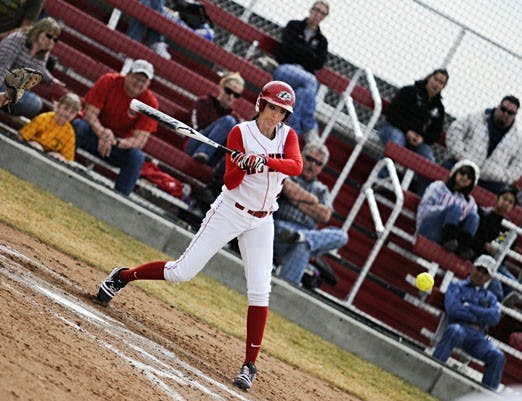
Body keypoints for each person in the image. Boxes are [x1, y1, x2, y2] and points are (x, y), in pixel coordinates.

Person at [94, 81, 303, 391]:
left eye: (282, 112)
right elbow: (231, 183)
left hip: (263, 220)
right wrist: (244, 164)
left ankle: (249, 365)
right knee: (181, 272)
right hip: (231, 211)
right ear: (261, 105)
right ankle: (122, 276)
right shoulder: (240, 134)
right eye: (272, 108)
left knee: (260, 290)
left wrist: (264, 161)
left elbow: (296, 166)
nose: (276, 116)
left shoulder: (288, 136)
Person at [72, 59, 159, 196]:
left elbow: (140, 140)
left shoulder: (150, 103)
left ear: (148, 84)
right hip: (94, 134)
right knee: (78, 126)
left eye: (143, 81)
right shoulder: (108, 81)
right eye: (136, 78)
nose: (138, 83)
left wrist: (115, 142)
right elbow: (89, 113)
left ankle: (120, 199)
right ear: (128, 74)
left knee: (136, 157)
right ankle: (60, 163)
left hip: (117, 147)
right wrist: (102, 133)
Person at [273, 141, 348, 285]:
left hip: (305, 234)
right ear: (301, 156)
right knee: (303, 243)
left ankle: (301, 237)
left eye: (318, 163)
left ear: (321, 168)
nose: (312, 165)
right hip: (280, 230)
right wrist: (313, 201)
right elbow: (288, 189)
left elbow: (325, 215)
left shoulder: (322, 189)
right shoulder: (289, 171)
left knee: (341, 236)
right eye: (309, 159)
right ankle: (285, 294)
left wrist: (296, 202)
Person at [432, 254, 505, 390]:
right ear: (472, 268)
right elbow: (453, 310)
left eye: (485, 273)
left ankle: (486, 397)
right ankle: (431, 370)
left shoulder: (490, 297)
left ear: (489, 278)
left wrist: (470, 308)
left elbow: (495, 318)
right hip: (460, 328)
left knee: (498, 356)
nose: (480, 275)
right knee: (454, 331)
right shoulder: (456, 286)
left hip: (479, 337)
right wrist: (482, 316)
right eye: (478, 269)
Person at [378, 68, 448, 194]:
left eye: (441, 83)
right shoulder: (409, 91)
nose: (437, 84)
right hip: (392, 129)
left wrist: (423, 139)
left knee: (428, 159)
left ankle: (424, 195)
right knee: (397, 142)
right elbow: (392, 113)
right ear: (429, 78)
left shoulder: (439, 109)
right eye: (435, 79)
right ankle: (380, 178)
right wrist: (407, 131)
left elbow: (435, 133)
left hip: (416, 142)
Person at [273, 1, 329, 139]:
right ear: (310, 10)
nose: (317, 14)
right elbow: (286, 48)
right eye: (316, 10)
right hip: (285, 70)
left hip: (303, 80)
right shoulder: (294, 26)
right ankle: (310, 126)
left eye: (322, 13)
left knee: (303, 94)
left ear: (325, 17)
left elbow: (319, 63)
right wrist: (309, 54)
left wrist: (300, 51)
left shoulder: (322, 41)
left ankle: (293, 133)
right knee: (311, 81)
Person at [444, 95, 521, 194]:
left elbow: (518, 165)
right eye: (503, 109)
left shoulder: (517, 140)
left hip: (491, 181)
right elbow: (455, 130)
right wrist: (461, 156)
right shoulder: (477, 118)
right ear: (498, 107)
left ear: (515, 115)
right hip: (463, 167)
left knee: (504, 197)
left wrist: (502, 176)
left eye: (510, 113)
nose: (505, 114)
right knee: (440, 172)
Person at [0, 17, 65, 118]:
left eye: (54, 39)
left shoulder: (44, 53)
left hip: (13, 91)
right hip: (2, 80)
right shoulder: (18, 38)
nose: (50, 41)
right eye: (48, 36)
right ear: (39, 31)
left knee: (35, 103)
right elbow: (3, 66)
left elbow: (40, 69)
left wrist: (52, 80)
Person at [416, 160, 480, 260]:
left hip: (455, 241)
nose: (465, 177)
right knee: (455, 209)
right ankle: (448, 239)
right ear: (455, 172)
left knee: (474, 217)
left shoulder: (471, 203)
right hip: (430, 229)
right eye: (462, 172)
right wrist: (447, 212)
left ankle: (462, 247)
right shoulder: (438, 187)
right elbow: (424, 210)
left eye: (469, 177)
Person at [185, 72, 244, 167]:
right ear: (221, 87)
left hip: (214, 157)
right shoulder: (204, 102)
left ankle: (206, 156)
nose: (231, 97)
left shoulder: (235, 118)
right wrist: (218, 130)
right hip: (195, 143)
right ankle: (203, 152)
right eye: (228, 91)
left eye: (236, 95)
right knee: (229, 122)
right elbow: (195, 128)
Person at [472, 185, 519, 302]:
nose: (506, 203)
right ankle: (496, 308)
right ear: (498, 198)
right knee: (497, 290)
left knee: (514, 286)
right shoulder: (482, 213)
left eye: (510, 202)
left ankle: (503, 309)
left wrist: (497, 253)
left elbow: (506, 254)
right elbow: (473, 237)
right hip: (479, 258)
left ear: (512, 207)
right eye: (504, 199)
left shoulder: (509, 228)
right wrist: (484, 245)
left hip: (497, 263)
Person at [19, 92, 81, 163]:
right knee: (37, 147)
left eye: (72, 112)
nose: (67, 114)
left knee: (58, 157)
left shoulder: (69, 132)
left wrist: (58, 156)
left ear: (75, 115)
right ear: (58, 106)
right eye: (65, 109)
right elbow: (21, 136)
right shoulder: (43, 118)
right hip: (30, 151)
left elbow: (68, 159)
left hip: (49, 159)